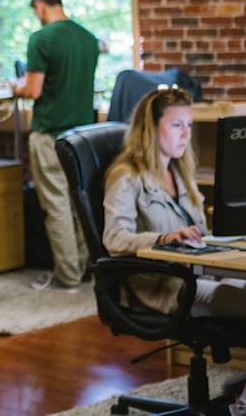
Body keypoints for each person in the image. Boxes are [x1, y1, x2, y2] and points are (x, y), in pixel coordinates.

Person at [103, 85, 246, 416]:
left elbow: (200, 233)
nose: (186, 135)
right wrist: (164, 238)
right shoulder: (127, 176)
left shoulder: (180, 172)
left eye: (190, 126)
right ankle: (240, 406)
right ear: (151, 128)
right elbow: (114, 238)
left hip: (198, 275)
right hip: (164, 285)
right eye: (176, 125)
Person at [11, 0, 100, 291]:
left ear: (41, 5)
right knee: (79, 202)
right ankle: (87, 267)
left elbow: (33, 90)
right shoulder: (88, 39)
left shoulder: (42, 39)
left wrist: (15, 87)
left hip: (50, 132)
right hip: (82, 137)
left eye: (35, 9)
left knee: (56, 205)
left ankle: (67, 275)